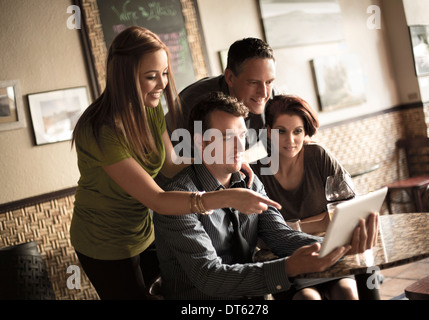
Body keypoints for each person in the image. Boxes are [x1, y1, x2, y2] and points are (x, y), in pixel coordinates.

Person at [69, 27, 280, 300]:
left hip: (144, 228)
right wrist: (227, 197)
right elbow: (157, 199)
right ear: (124, 76)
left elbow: (170, 164)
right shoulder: (100, 130)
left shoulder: (150, 106)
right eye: (150, 76)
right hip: (104, 241)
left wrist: (225, 157)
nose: (162, 84)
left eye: (165, 73)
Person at [153, 92, 378, 299]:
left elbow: (279, 235)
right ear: (201, 143)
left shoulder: (249, 180)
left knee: (362, 283)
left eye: (242, 135)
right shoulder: (179, 200)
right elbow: (210, 277)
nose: (239, 146)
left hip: (252, 298)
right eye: (227, 137)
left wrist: (338, 247)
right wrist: (289, 267)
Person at [252, 94, 361, 300]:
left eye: (298, 131)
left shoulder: (319, 156)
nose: (290, 140)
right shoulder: (256, 172)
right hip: (287, 263)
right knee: (309, 299)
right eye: (281, 131)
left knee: (347, 292)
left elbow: (348, 213)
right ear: (268, 131)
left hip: (328, 252)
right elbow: (262, 236)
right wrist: (321, 221)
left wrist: (290, 227)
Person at [165, 37, 276, 152]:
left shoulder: (272, 100)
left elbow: (278, 155)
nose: (263, 93)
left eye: (269, 82)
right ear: (230, 78)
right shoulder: (193, 103)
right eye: (253, 82)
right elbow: (178, 162)